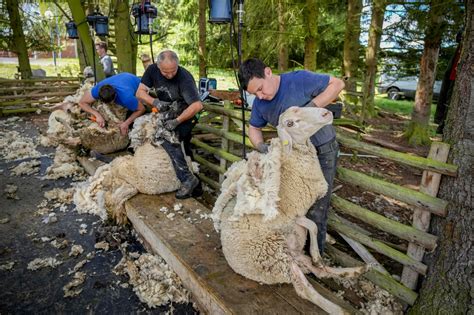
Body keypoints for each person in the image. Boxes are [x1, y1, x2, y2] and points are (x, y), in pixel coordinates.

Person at [238, 58, 345, 254]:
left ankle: (315, 259)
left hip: (322, 152)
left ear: (268, 72)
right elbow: (254, 127)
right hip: (294, 158)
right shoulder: (261, 104)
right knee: (294, 207)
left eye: (261, 89)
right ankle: (294, 255)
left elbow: (337, 84)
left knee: (317, 209)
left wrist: (310, 108)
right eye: (254, 94)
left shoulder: (299, 79)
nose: (260, 96)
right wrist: (261, 146)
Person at [136, 50, 203, 199]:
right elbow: (139, 93)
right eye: (166, 72)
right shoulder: (152, 70)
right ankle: (197, 189)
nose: (170, 75)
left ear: (177, 65)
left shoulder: (185, 78)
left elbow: (197, 106)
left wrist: (177, 121)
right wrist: (155, 101)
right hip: (168, 110)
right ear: (158, 66)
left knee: (168, 138)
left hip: (187, 113)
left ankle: (187, 179)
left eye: (173, 71)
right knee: (184, 147)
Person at [78, 72, 145, 136]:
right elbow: (82, 102)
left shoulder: (126, 98)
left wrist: (126, 123)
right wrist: (97, 115)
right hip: (122, 78)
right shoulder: (98, 89)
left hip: (136, 82)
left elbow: (141, 109)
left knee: (131, 120)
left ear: (115, 95)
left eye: (110, 102)